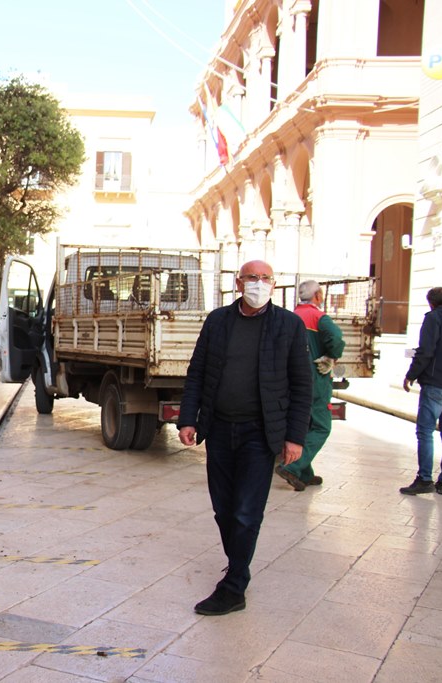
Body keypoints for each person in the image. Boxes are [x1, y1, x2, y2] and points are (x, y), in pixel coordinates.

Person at [178, 260, 312, 616]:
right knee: (224, 509)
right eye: (252, 277)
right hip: (219, 429)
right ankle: (238, 564)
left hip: (260, 433)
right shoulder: (218, 321)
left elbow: (303, 385)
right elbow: (197, 373)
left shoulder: (289, 325)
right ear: (239, 283)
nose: (258, 283)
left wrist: (294, 437)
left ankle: (234, 585)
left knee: (246, 511)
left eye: (265, 278)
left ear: (274, 283)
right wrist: (187, 419)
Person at [275, 280, 345, 490]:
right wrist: (331, 356)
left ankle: (305, 473)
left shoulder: (288, 317)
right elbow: (336, 339)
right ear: (319, 295)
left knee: (301, 425)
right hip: (315, 379)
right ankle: (293, 467)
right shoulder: (319, 317)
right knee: (322, 426)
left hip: (289, 379)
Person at [400, 286, 442, 496]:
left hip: (436, 382)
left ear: (431, 302)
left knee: (425, 432)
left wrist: (411, 375)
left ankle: (425, 479)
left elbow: (426, 351)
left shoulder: (433, 318)